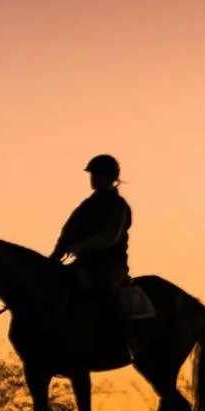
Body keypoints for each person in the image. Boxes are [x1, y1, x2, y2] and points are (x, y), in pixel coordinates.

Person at [51, 154, 135, 363]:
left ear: (112, 177)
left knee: (103, 292)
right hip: (85, 264)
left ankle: (122, 343)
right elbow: (67, 231)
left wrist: (81, 246)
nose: (94, 178)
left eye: (99, 174)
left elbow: (109, 237)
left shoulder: (118, 206)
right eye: (93, 174)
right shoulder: (85, 206)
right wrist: (55, 256)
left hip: (110, 266)